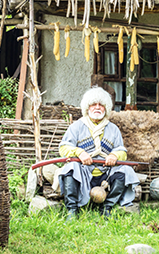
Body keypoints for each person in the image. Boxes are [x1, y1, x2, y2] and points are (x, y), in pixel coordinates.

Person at [58, 86, 139, 220]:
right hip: (83, 173)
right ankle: (71, 210)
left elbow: (122, 151)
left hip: (105, 175)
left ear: (106, 108)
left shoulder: (113, 129)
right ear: (87, 108)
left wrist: (114, 155)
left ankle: (106, 207)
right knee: (70, 168)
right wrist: (79, 152)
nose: (97, 107)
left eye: (101, 105)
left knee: (125, 171)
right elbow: (64, 148)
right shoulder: (76, 127)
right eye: (93, 104)